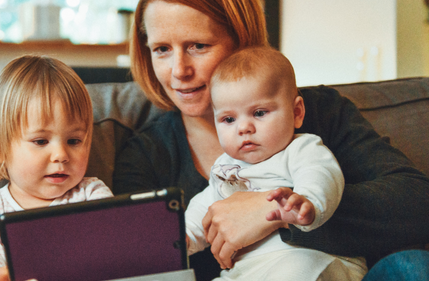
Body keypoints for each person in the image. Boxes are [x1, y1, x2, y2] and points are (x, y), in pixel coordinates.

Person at [112, 0, 429, 280]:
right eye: (162, 49)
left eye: (198, 45)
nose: (179, 70)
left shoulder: (320, 114)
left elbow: (416, 202)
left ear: (240, 41)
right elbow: (146, 258)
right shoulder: (144, 155)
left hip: (321, 271)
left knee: (412, 266)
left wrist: (275, 214)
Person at [184, 46, 366, 280]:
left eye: (259, 113)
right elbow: (206, 207)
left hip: (310, 260)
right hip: (246, 272)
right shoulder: (224, 167)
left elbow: (320, 174)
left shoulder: (301, 149)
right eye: (229, 119)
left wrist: (307, 203)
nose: (244, 128)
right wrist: (183, 238)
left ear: (297, 112)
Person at [0, 55, 114, 281]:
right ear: (0, 147)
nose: (61, 155)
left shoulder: (93, 196)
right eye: (40, 141)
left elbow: (114, 264)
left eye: (74, 141)